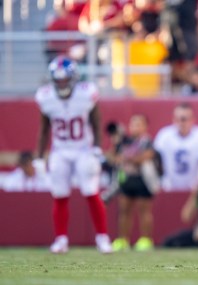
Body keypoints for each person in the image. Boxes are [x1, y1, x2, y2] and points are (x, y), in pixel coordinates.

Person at [35, 55, 112, 254]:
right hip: (60, 150)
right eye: (57, 79)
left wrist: (97, 147)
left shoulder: (86, 94)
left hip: (83, 149)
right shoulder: (46, 97)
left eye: (64, 78)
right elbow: (44, 129)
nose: (61, 83)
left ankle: (102, 237)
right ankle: (61, 239)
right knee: (60, 195)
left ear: (73, 77)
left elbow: (96, 121)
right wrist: (38, 156)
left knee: (91, 192)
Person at [112, 114, 161, 251]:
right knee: (124, 210)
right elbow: (114, 157)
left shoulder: (147, 142)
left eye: (139, 124)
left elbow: (146, 156)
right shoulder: (124, 141)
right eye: (133, 124)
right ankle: (123, 239)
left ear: (145, 127)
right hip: (127, 178)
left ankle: (145, 239)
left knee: (144, 210)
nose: (135, 127)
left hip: (143, 179)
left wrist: (127, 158)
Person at [154, 102, 198, 192]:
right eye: (177, 119)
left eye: (184, 119)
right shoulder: (164, 136)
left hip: (194, 188)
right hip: (168, 187)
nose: (180, 123)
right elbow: (156, 160)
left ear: (192, 119)